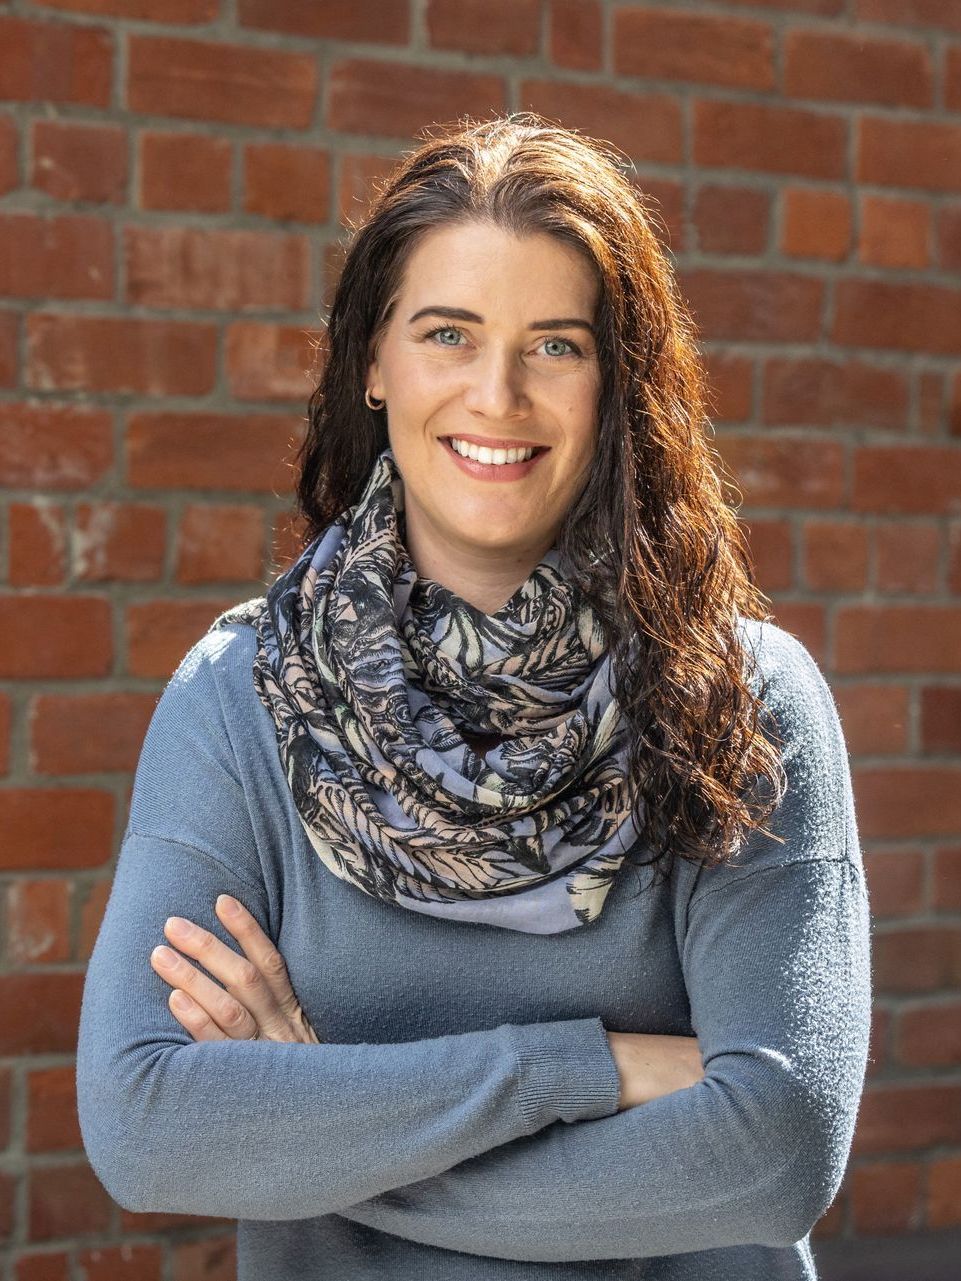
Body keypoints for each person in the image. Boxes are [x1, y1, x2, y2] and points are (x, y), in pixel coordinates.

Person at [76, 113, 871, 1280]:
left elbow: (774, 1151)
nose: (496, 394)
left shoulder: (738, 698)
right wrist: (584, 1067)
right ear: (372, 363)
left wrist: (316, 1128)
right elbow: (146, 1128)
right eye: (448, 333)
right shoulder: (240, 699)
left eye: (556, 345)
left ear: (618, 384)